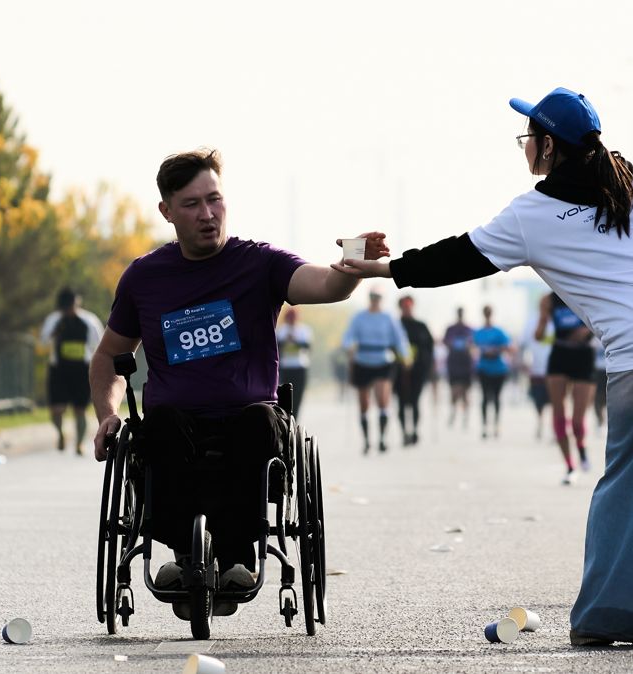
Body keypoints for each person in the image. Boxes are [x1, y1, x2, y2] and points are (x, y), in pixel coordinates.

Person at [333, 86, 633, 646]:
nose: (524, 147)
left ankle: (612, 616)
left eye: (528, 138)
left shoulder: (534, 213)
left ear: (548, 147)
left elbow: (458, 256)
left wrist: (378, 268)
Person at [89, 148, 384, 620]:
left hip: (249, 420)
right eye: (191, 204)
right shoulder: (145, 277)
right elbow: (108, 355)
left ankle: (238, 556)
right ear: (167, 211)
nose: (207, 214)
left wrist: (353, 261)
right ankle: (185, 556)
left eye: (215, 199)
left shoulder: (259, 264)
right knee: (157, 426)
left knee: (258, 422)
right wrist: (108, 415)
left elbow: (325, 286)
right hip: (175, 421)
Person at [536, 291, 597, 484]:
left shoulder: (584, 292)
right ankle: (570, 466)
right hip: (559, 355)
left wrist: (587, 331)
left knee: (578, 421)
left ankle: (581, 448)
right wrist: (542, 325)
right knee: (559, 414)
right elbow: (539, 335)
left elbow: (603, 323)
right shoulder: (548, 299)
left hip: (583, 357)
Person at [342, 290, 410, 453]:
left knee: (382, 400)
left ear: (381, 299)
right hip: (362, 361)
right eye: (372, 297)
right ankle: (366, 441)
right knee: (364, 404)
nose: (375, 301)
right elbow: (348, 336)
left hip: (383, 361)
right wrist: (349, 346)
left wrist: (406, 356)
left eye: (377, 298)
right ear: (369, 299)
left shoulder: (388, 318)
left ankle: (382, 439)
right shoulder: (359, 317)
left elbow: (399, 338)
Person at [39, 287, 103, 455]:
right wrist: (54, 333)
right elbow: (43, 341)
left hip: (81, 370)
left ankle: (79, 443)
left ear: (77, 303)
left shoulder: (89, 320)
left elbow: (100, 344)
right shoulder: (54, 320)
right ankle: (60, 434)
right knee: (56, 410)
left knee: (80, 410)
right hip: (59, 370)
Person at [395, 295, 434, 446]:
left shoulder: (421, 326)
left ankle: (415, 431)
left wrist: (430, 368)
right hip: (399, 372)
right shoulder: (395, 325)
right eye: (404, 306)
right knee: (401, 403)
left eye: (409, 306)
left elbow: (430, 349)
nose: (407, 309)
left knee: (415, 402)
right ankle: (404, 432)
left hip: (418, 371)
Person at [473, 304, 512, 439]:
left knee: (496, 398)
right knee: (484, 397)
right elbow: (472, 347)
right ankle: (484, 425)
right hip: (484, 368)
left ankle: (496, 424)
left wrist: (496, 350)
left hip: (498, 368)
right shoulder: (478, 332)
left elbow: (508, 347)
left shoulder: (499, 332)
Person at [275, 307, 312, 418]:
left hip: (300, 368)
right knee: (284, 398)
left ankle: (295, 419)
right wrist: (285, 341)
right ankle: (285, 418)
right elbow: (277, 347)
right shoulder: (281, 330)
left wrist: (294, 341)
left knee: (297, 397)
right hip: (285, 368)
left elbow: (307, 346)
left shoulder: (304, 330)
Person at [442, 308, 475, 428]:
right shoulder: (450, 329)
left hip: (466, 364)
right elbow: (445, 342)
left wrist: (468, 346)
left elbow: (474, 344)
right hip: (454, 364)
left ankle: (465, 416)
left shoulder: (469, 329)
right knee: (454, 391)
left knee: (466, 392)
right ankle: (453, 413)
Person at [522, 311, 553, 440]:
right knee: (538, 401)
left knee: (555, 401)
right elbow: (524, 344)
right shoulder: (531, 322)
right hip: (537, 371)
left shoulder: (556, 322)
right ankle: (540, 423)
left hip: (553, 370)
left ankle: (554, 429)